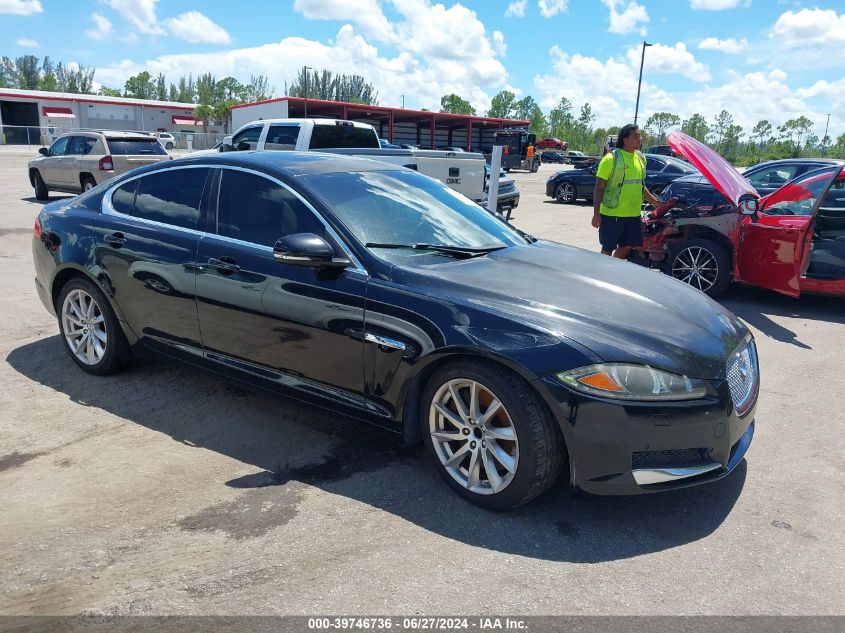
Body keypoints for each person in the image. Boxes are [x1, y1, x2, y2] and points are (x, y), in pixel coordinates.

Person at [591, 124, 659, 259]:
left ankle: (613, 268)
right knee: (607, 248)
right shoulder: (611, 159)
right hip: (612, 215)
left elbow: (640, 185)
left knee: (628, 246)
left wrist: (657, 202)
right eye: (636, 136)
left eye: (640, 135)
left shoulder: (640, 158)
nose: (640, 139)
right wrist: (596, 214)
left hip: (633, 215)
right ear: (625, 140)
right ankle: (603, 272)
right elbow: (599, 188)